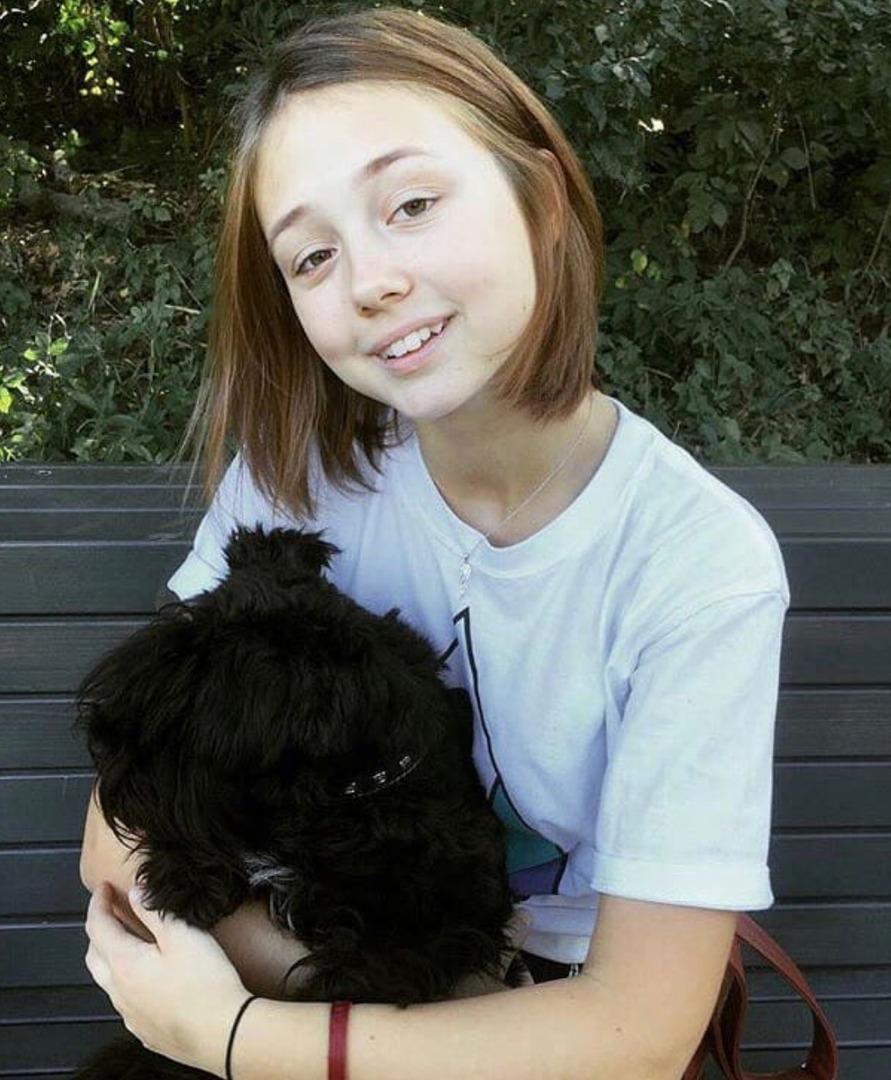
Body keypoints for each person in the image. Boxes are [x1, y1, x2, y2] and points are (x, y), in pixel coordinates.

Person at [79, 7, 791, 1080]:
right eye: (312, 256)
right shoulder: (296, 481)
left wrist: (235, 1034)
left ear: (540, 199)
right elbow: (121, 831)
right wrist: (299, 993)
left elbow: (636, 1035)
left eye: (411, 204)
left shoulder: (694, 565)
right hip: (326, 958)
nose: (369, 281)